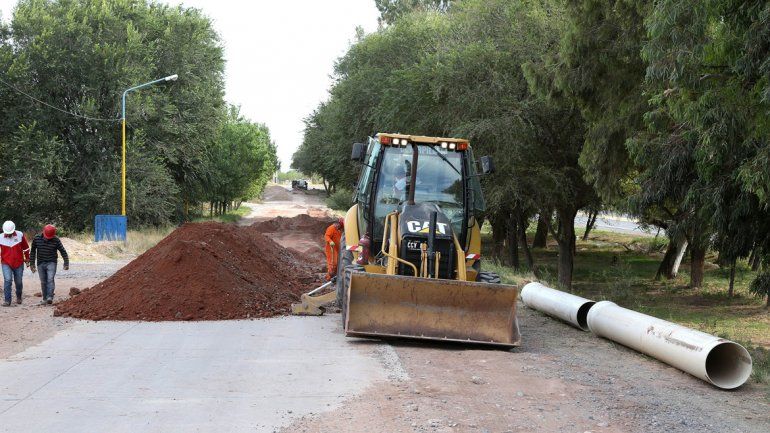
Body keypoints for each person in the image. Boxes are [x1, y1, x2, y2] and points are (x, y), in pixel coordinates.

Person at [30, 224, 69, 305]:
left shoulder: (56, 240)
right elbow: (33, 251)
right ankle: (44, 298)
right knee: (43, 281)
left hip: (52, 262)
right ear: (43, 232)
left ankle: (50, 297)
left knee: (50, 279)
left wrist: (66, 263)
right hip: (40, 263)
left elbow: (63, 251)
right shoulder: (37, 239)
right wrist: (32, 264)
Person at [0, 221, 30, 306]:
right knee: (8, 280)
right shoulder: (0, 237)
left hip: (19, 262)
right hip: (6, 263)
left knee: (19, 282)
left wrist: (27, 258)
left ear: (14, 230)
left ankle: (19, 296)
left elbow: (26, 248)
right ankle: (7, 300)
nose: (9, 235)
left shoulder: (20, 235)